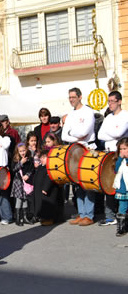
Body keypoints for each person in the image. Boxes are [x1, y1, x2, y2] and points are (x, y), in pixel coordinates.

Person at [62, 87, 96, 226]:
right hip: (76, 150)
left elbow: (85, 132)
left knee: (87, 183)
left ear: (80, 97)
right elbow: (64, 135)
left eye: (73, 97)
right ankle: (81, 213)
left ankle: (89, 214)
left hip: (88, 149)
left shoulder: (88, 112)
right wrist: (77, 136)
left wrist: (72, 133)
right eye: (69, 97)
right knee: (77, 184)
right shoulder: (70, 115)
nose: (71, 100)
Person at [98, 91, 128, 226]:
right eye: (108, 101)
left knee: (124, 185)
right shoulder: (108, 118)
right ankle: (110, 215)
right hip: (108, 153)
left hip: (122, 155)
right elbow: (99, 135)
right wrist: (114, 135)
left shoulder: (125, 115)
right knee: (109, 184)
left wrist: (109, 133)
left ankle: (123, 214)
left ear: (119, 101)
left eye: (112, 101)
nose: (110, 104)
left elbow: (119, 133)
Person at [34, 150, 64, 226]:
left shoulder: (50, 167)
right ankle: (43, 217)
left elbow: (49, 178)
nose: (42, 159)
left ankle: (49, 219)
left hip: (48, 191)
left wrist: (45, 188)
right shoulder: (40, 167)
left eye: (44, 158)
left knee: (48, 206)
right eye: (41, 158)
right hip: (39, 190)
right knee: (42, 205)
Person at [11, 143, 34, 226]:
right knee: (19, 199)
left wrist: (28, 175)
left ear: (26, 150)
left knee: (25, 199)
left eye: (24, 150)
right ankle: (17, 218)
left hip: (26, 182)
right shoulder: (15, 159)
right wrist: (21, 162)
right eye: (20, 151)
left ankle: (25, 218)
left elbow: (32, 168)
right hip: (18, 181)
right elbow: (13, 169)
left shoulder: (30, 159)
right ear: (18, 152)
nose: (22, 152)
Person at [113, 138, 128, 236]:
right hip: (123, 188)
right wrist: (120, 158)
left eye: (125, 149)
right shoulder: (120, 160)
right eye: (121, 149)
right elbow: (116, 170)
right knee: (122, 207)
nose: (122, 151)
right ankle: (121, 228)